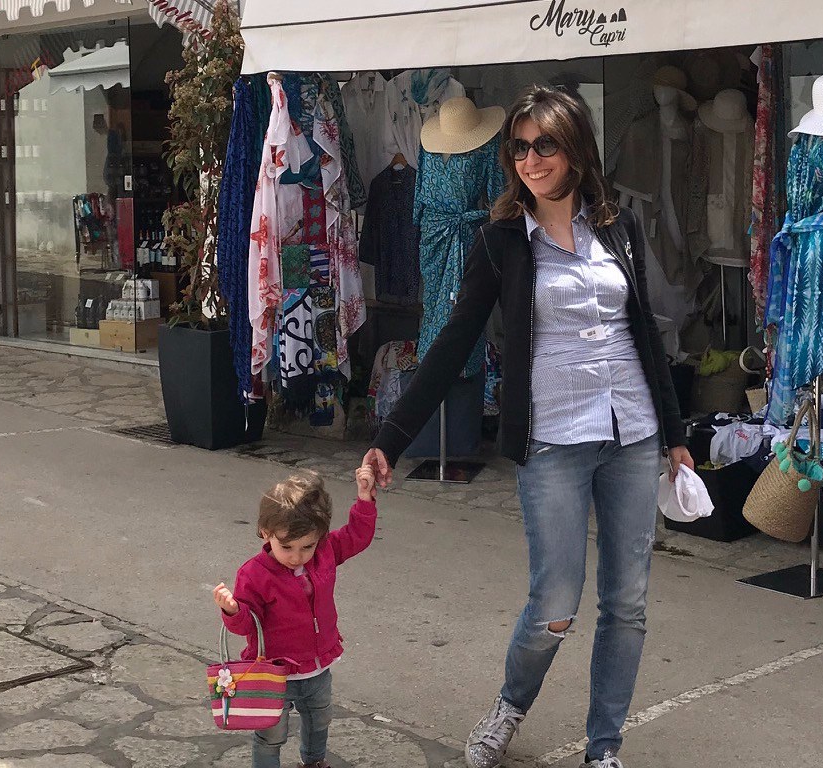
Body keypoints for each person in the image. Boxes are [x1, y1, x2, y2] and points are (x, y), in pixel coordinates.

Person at [360, 86, 694, 768]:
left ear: (575, 149)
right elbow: (453, 341)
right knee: (554, 604)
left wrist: (676, 433)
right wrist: (389, 439)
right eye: (519, 147)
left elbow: (645, 337)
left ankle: (604, 747)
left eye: (544, 144)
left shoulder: (619, 228)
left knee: (626, 603)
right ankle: (510, 706)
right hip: (552, 442)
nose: (530, 159)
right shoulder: (502, 241)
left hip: (631, 433)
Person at [213, 469, 378, 768]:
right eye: (286, 546)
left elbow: (357, 535)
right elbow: (248, 624)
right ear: (265, 532)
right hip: (274, 671)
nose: (296, 556)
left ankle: (314, 762)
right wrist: (233, 611)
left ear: (320, 537)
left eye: (307, 546)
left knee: (319, 720)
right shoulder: (254, 574)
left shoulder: (325, 552)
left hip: (317, 666)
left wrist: (364, 499)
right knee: (270, 735)